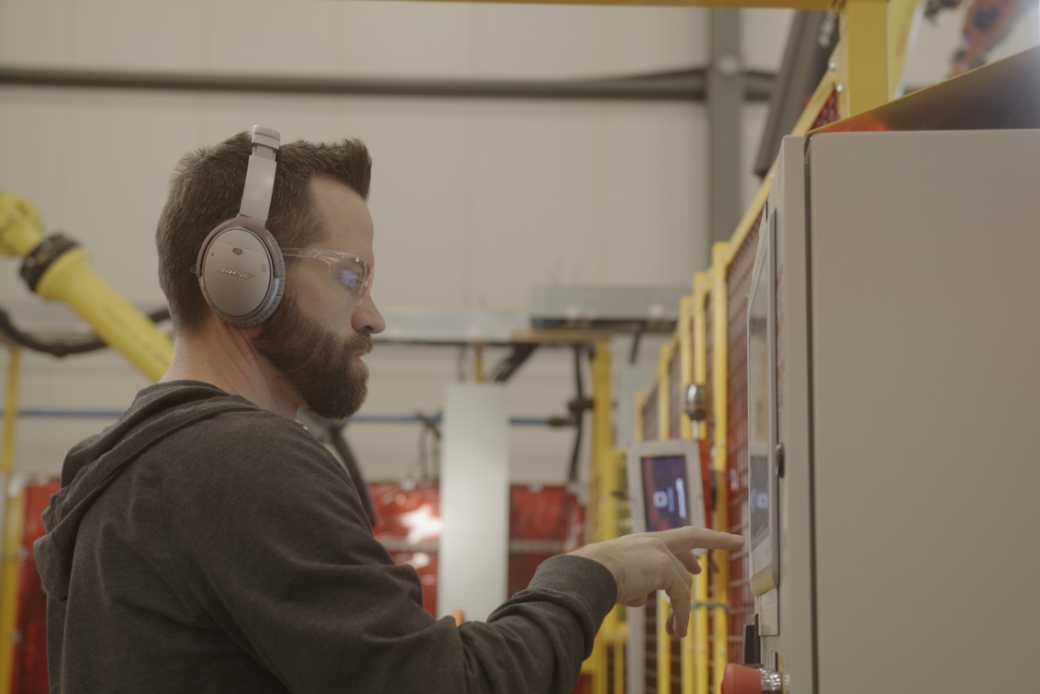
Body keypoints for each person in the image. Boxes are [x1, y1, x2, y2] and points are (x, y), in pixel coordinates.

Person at [34, 129, 743, 694]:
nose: (372, 316)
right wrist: (588, 577)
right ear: (241, 273)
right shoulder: (235, 462)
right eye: (351, 276)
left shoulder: (120, 479)